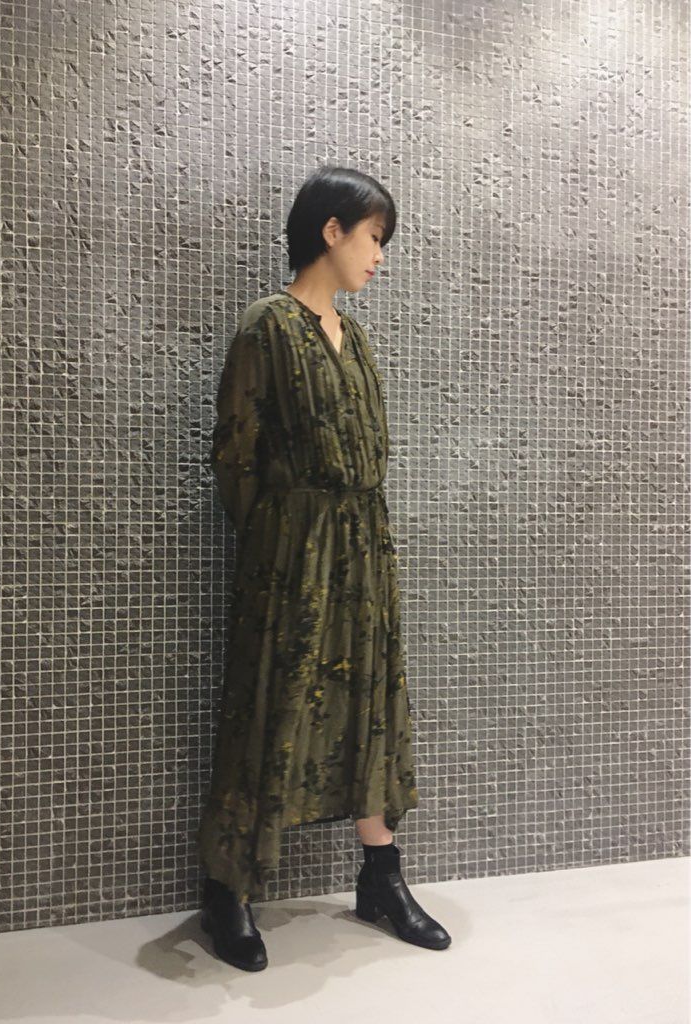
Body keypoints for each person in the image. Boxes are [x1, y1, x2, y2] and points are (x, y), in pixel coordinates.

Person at [196, 165, 451, 971]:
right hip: (291, 552)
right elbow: (234, 454)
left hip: (362, 544)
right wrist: (280, 541)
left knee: (371, 699)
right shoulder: (267, 326)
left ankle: (380, 875)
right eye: (374, 237)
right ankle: (227, 890)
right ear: (330, 230)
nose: (379, 256)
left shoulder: (354, 335)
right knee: (270, 704)